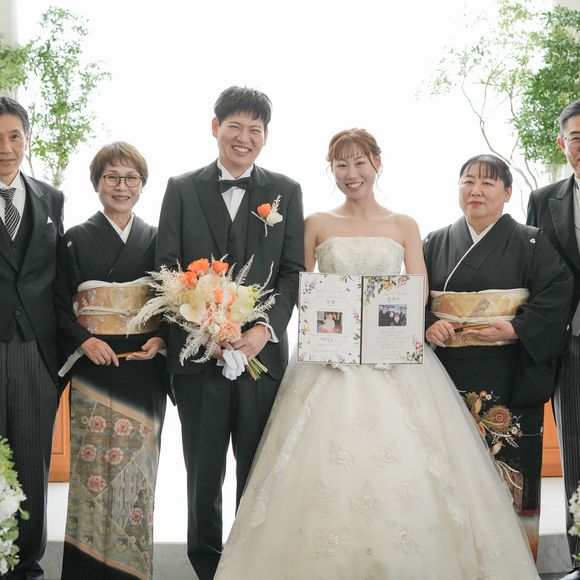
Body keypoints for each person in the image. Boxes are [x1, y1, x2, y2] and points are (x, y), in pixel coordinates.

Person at [214, 129, 541, 579]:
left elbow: (417, 290)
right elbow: (301, 287)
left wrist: (388, 327)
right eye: (341, 165)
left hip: (393, 358)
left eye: (359, 163)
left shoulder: (403, 224)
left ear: (377, 164)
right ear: (332, 170)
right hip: (330, 360)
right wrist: (329, 331)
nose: (351, 173)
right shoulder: (317, 223)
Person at [155, 86, 304, 580]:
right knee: (202, 474)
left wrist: (264, 329)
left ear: (266, 136)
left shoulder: (286, 191)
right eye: (234, 126)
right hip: (199, 360)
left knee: (257, 471)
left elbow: (292, 272)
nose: (244, 137)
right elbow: (168, 267)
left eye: (254, 130)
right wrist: (206, 331)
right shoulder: (181, 188)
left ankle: (250, 565)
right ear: (215, 126)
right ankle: (206, 567)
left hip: (261, 359)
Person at [424, 153, 573, 561]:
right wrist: (428, 324)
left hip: (510, 371)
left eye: (488, 183)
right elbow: (410, 300)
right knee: (450, 472)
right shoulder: (434, 242)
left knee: (510, 472)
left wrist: (516, 328)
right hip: (448, 375)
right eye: (468, 181)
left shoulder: (531, 241)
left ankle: (514, 561)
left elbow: (558, 291)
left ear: (507, 193)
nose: (476, 190)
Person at [55, 142, 169, 579]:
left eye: (131, 178)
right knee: (91, 476)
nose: (122, 186)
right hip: (93, 367)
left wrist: (161, 338)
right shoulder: (74, 238)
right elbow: (57, 303)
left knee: (137, 480)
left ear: (142, 184)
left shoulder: (158, 239)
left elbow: (171, 304)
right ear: (97, 183)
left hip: (144, 370)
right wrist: (84, 340)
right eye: (111, 177)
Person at [0, 96, 64, 579]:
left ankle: (27, 566)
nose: (5, 148)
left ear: (27, 138)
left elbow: (57, 275)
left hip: (35, 351)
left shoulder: (51, 198)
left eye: (14, 136)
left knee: (31, 460)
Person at [527, 99, 580, 580]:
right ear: (562, 143)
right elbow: (535, 275)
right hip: (571, 342)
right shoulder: (543, 200)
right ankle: (579, 556)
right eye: (576, 137)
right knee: (574, 451)